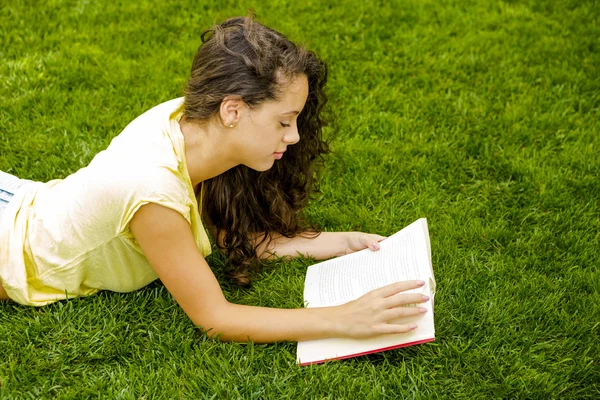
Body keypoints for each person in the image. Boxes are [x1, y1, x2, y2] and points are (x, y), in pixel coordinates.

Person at [0, 16, 429, 342]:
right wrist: (341, 318)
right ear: (233, 110)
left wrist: (328, 242)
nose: (294, 136)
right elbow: (215, 318)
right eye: (283, 122)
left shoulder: (191, 123)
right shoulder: (153, 192)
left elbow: (221, 232)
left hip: (20, 198)